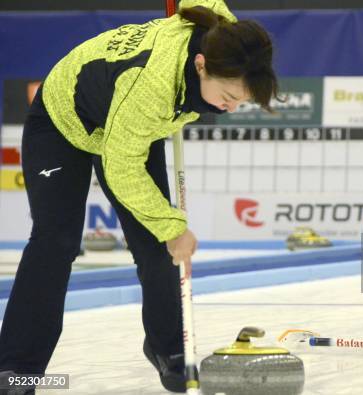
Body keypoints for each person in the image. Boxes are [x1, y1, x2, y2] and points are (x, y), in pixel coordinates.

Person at [0, 1, 278, 393]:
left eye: (240, 101)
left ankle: (169, 351)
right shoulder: (151, 87)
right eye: (229, 95)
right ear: (200, 65)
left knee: (155, 243)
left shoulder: (227, 38)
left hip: (128, 128)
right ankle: (16, 366)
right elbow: (121, 167)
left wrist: (165, 230)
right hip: (65, 121)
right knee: (55, 240)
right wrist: (172, 226)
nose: (231, 107)